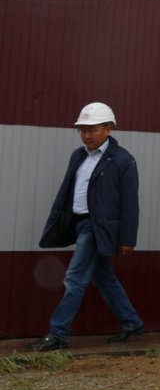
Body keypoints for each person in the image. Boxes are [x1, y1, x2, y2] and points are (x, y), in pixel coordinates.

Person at [28, 103, 145, 351]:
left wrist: (128, 238)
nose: (86, 135)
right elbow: (68, 191)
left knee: (74, 278)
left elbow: (129, 203)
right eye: (82, 130)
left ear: (108, 129)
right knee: (103, 278)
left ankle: (58, 333)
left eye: (92, 129)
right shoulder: (78, 156)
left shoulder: (122, 160)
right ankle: (132, 322)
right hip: (80, 224)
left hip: (97, 228)